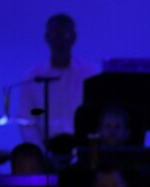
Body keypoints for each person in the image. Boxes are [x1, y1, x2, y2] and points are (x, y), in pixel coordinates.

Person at [18, 13, 98, 147]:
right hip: (45, 151)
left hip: (83, 149)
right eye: (56, 35)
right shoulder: (32, 78)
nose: (60, 41)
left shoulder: (90, 75)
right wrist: (40, 153)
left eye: (65, 35)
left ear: (73, 38)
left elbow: (97, 116)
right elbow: (26, 121)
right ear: (47, 38)